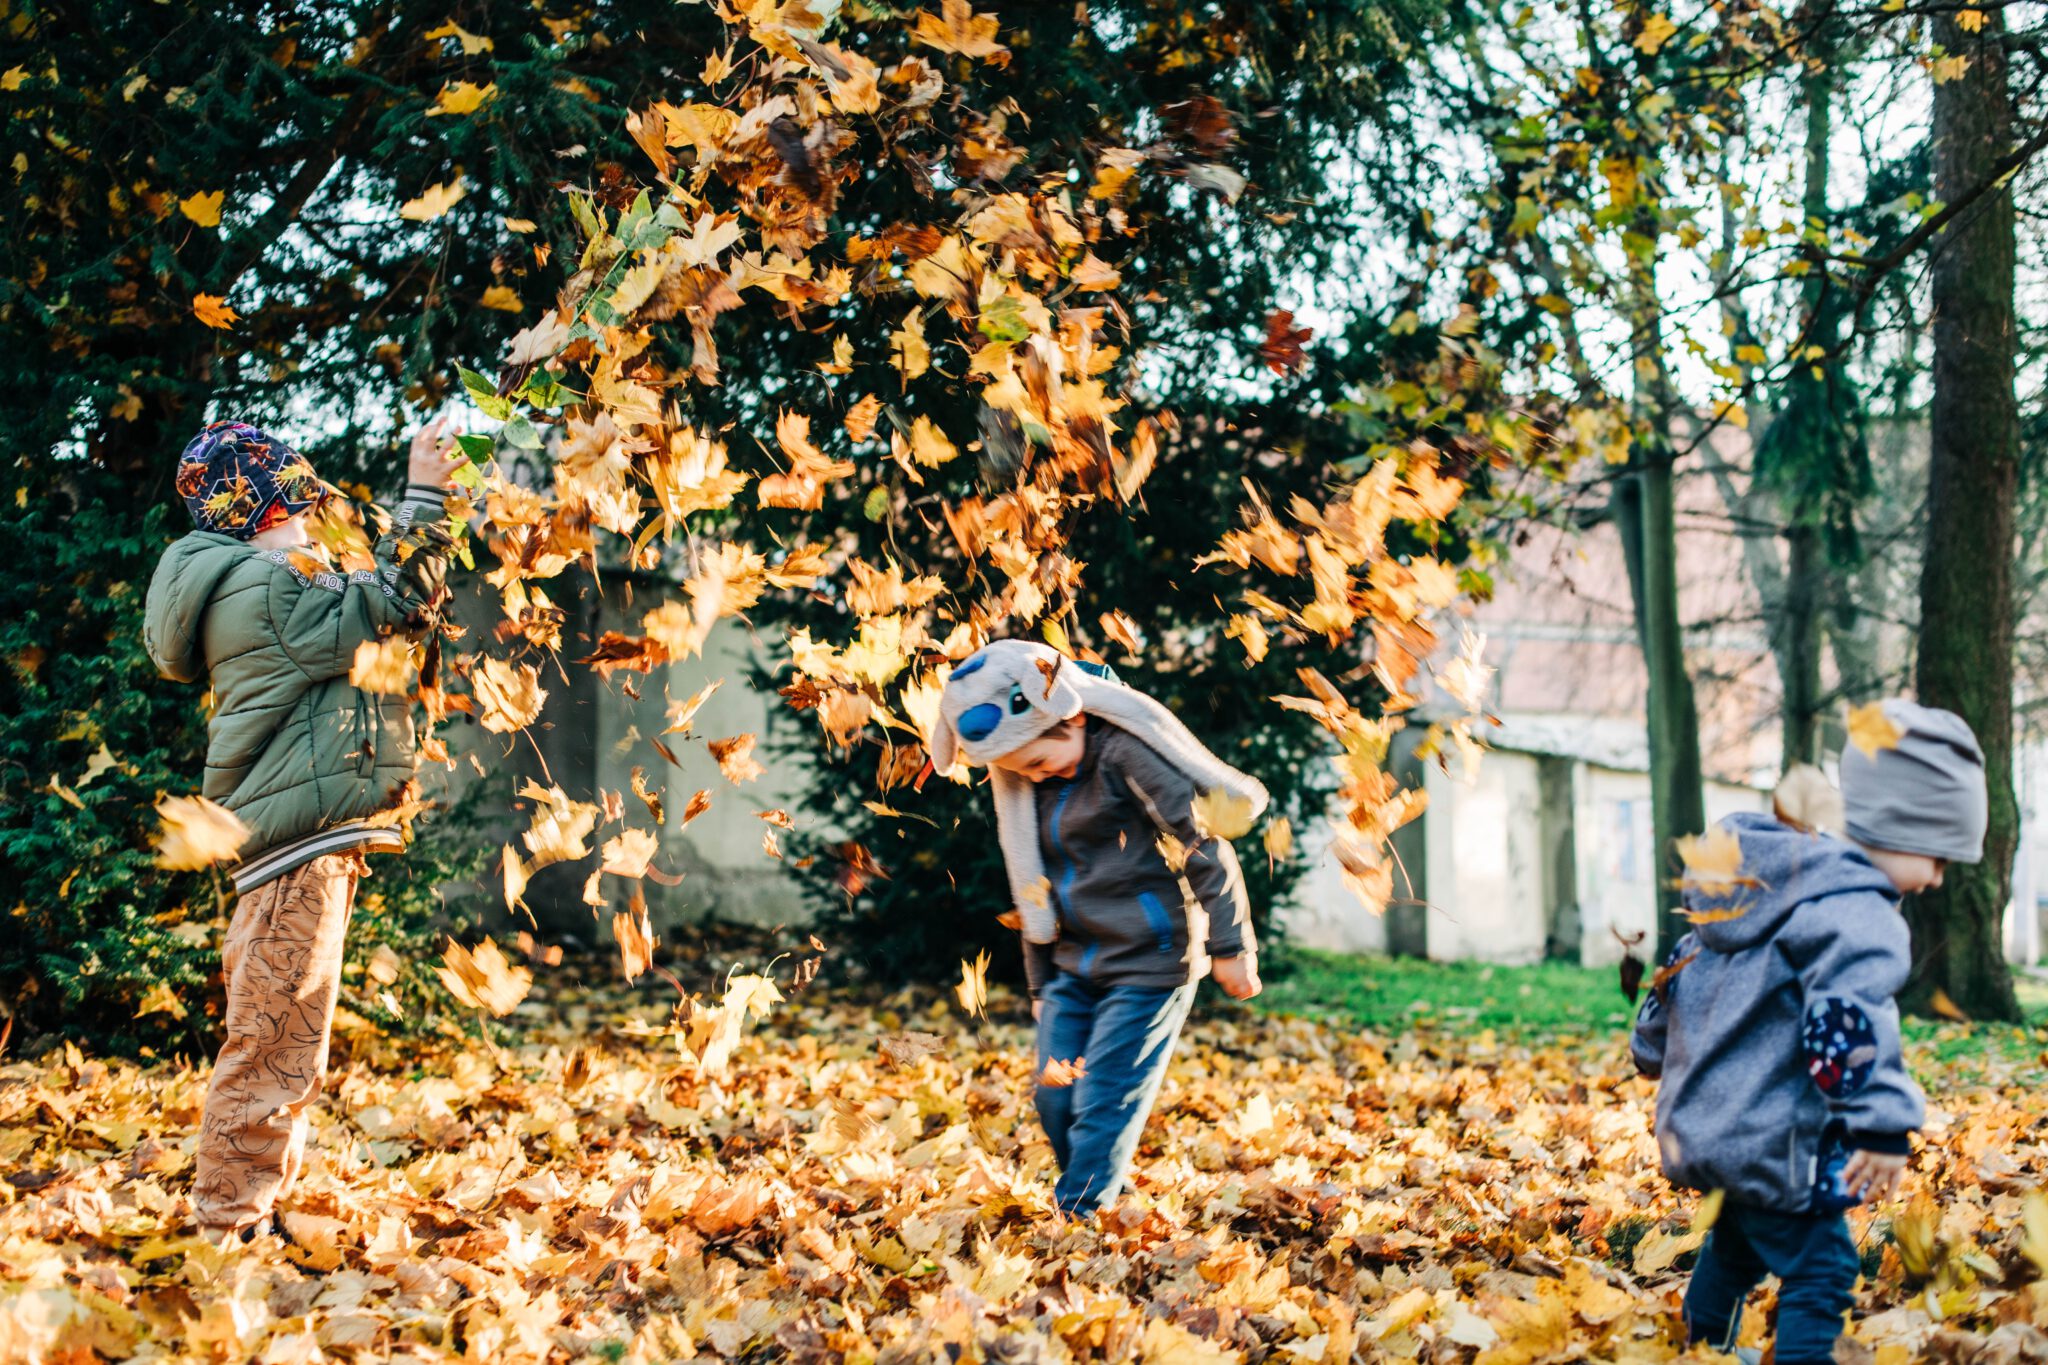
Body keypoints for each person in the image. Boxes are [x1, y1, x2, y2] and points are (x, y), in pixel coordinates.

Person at [145, 417, 463, 1244]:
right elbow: (389, 607)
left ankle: (253, 1211)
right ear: (260, 513)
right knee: (274, 1046)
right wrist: (425, 492)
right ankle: (226, 1227)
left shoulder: (262, 578)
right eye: (299, 509)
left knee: (290, 1038)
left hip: (305, 847)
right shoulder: (264, 587)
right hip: (293, 854)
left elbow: (396, 609)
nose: (314, 527)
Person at [1631, 700, 1987, 1365]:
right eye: (1937, 857)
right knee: (1822, 1269)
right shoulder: (1857, 913)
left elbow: (1683, 968)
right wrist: (1880, 1125)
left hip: (1712, 1123)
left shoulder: (1770, 879)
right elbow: (1845, 1021)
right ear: (1895, 828)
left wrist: (1650, 1047)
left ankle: (1699, 1346)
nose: (1938, 878)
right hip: (1776, 1137)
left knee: (1739, 1239)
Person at [932, 639, 1267, 1216]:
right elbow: (1031, 885)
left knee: (1105, 1095)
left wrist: (1231, 945)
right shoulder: (1028, 786)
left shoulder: (1124, 758)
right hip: (1074, 966)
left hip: (1151, 962)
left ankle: (1080, 1214)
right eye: (1020, 773)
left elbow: (1204, 845)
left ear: (1073, 713)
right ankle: (1103, 1189)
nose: (1035, 778)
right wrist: (1039, 985)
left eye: (1039, 762)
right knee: (1055, 1098)